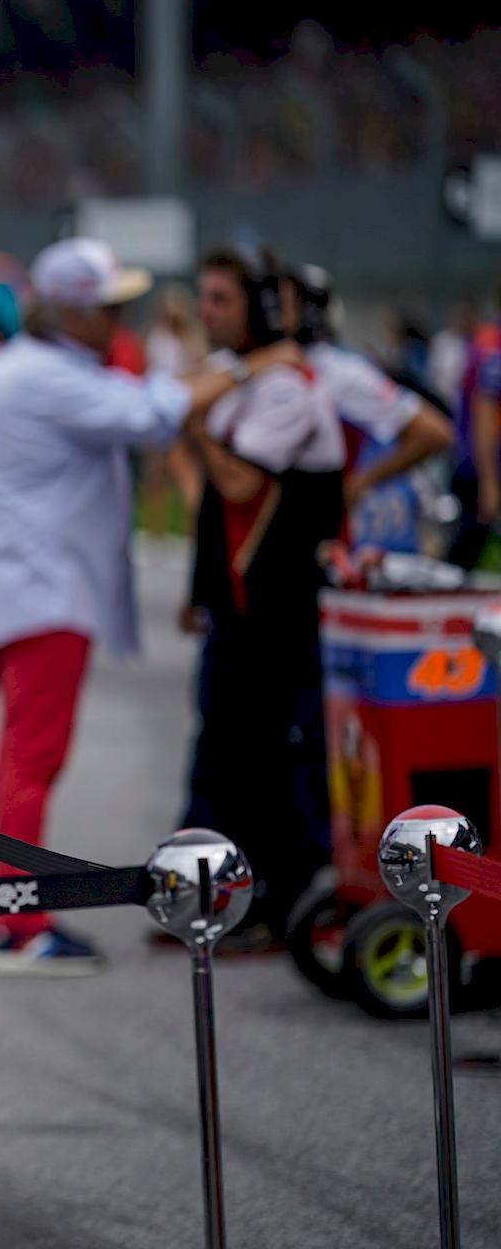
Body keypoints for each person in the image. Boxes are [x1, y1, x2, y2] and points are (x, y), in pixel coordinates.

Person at [0, 238, 300, 975]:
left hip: (44, 586)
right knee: (34, 759)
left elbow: (148, 395)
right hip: (48, 591)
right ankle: (17, 924)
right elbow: (155, 414)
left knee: (23, 757)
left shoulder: (47, 366)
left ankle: (7, 909)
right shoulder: (47, 377)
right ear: (69, 311)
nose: (121, 318)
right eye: (109, 306)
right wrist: (249, 364)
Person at [182, 247, 346, 942]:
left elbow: (241, 485)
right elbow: (218, 508)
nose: (204, 311)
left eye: (219, 298)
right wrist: (201, 588)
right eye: (204, 297)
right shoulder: (241, 374)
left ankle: (285, 905)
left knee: (277, 753)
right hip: (239, 607)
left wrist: (191, 422)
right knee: (224, 745)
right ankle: (211, 890)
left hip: (284, 610)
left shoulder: (287, 384)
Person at [286, 265, 451, 528]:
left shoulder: (341, 370)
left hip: (323, 530)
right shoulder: (262, 366)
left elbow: (435, 433)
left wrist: (361, 481)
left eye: (285, 302)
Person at [448, 291, 501, 569]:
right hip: (481, 469)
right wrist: (489, 484)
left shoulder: (484, 338)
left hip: (476, 465)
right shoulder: (492, 347)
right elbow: (484, 416)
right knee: (466, 552)